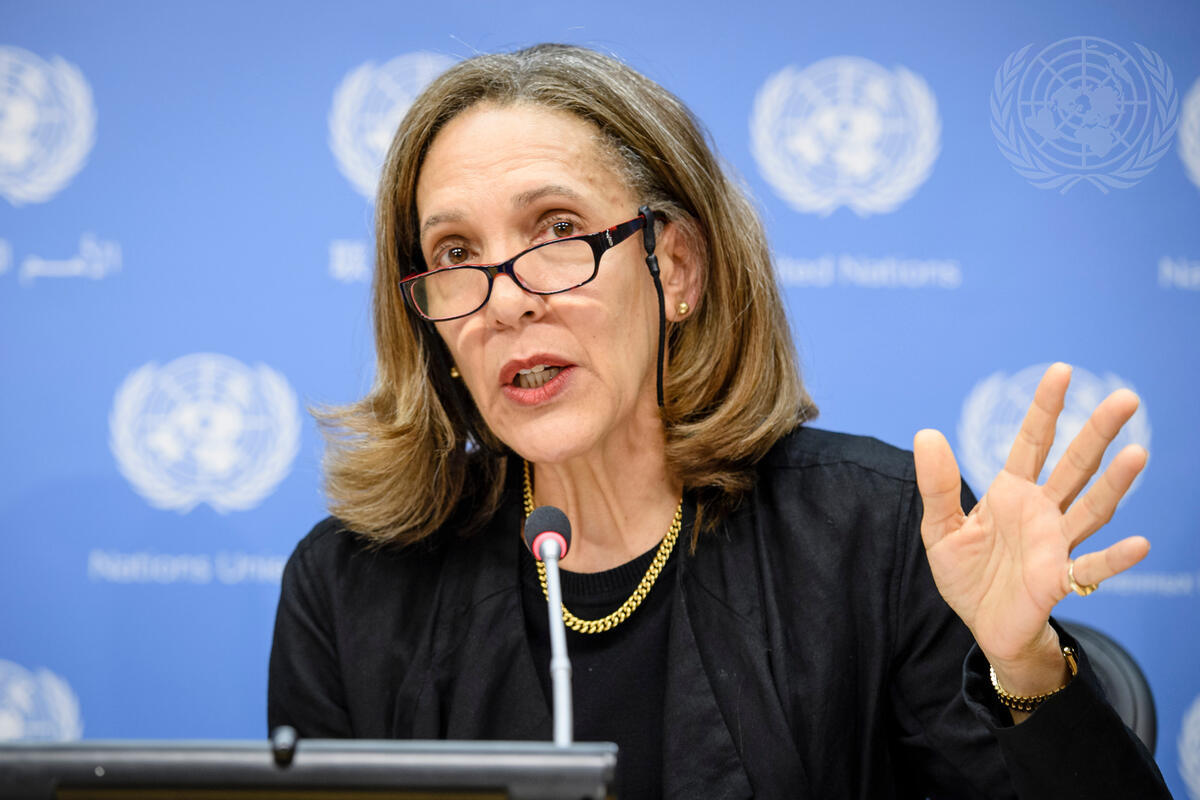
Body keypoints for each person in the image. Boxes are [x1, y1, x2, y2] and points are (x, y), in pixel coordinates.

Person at [268, 43, 1171, 798]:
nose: (505, 301)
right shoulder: (351, 586)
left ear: (676, 269)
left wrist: (1025, 671)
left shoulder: (875, 533)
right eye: (455, 251)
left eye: (556, 230)